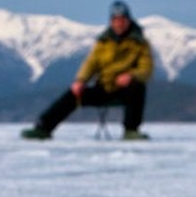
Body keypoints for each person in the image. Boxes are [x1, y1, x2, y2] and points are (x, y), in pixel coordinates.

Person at [21, 1, 153, 140]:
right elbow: (91, 63)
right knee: (74, 93)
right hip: (103, 87)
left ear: (128, 20)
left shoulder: (140, 43)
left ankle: (131, 130)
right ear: (111, 21)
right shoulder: (103, 42)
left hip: (124, 90)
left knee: (138, 87)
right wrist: (81, 80)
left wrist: (131, 75)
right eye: (115, 20)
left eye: (122, 20)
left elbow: (146, 69)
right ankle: (43, 128)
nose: (119, 23)